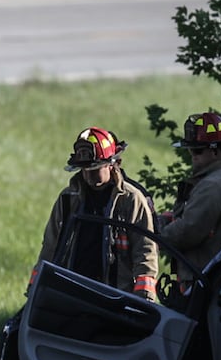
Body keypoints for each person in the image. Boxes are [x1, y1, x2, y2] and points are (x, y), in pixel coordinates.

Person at [32, 126, 158, 301]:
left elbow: (145, 252)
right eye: (84, 169)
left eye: (95, 169)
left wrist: (143, 298)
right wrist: (35, 287)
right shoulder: (68, 199)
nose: (89, 175)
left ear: (113, 164)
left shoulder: (131, 200)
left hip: (114, 297)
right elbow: (50, 246)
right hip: (72, 293)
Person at [159, 110, 221, 288]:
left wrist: (153, 233)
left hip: (204, 281)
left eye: (197, 150)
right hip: (219, 278)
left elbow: (187, 231)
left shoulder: (212, 186)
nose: (192, 155)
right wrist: (166, 219)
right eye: (191, 150)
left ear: (215, 151)